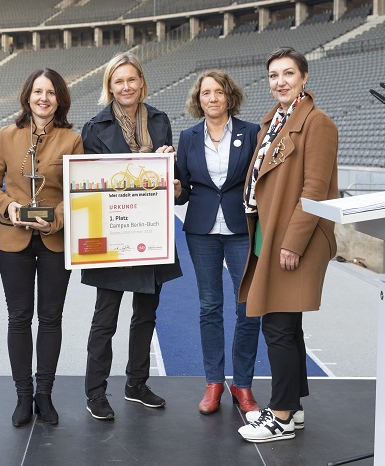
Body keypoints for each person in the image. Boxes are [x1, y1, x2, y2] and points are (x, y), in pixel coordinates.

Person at [236, 47, 338, 443]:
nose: (280, 81)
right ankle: (292, 409)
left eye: (288, 73)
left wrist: (293, 243)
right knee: (287, 327)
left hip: (293, 238)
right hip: (269, 233)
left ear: (304, 77)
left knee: (277, 326)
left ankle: (278, 415)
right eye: (274, 75)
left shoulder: (317, 123)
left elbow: (315, 190)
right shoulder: (274, 121)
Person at [80, 52, 182, 420]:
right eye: (118, 81)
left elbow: (175, 186)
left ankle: (136, 384)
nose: (126, 86)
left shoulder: (159, 120)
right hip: (114, 234)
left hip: (151, 231)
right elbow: (89, 187)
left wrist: (171, 172)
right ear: (109, 86)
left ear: (141, 82)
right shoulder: (94, 128)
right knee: (105, 317)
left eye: (131, 79)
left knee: (146, 315)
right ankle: (95, 392)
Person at [0, 68, 83, 427]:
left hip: (55, 241)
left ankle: (45, 395)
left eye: (51, 92)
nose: (43, 98)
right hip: (12, 241)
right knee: (19, 317)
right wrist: (7, 205)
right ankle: (23, 396)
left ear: (60, 100)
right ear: (27, 97)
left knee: (51, 319)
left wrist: (53, 219)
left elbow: (76, 192)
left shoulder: (72, 139)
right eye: (38, 91)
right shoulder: (7, 136)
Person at [173, 70, 261, 415]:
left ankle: (243, 385)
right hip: (202, 231)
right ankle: (213, 383)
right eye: (205, 92)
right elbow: (183, 191)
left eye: (218, 92)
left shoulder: (251, 132)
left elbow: (259, 181)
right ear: (199, 99)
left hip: (242, 229)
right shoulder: (188, 136)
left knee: (247, 308)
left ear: (229, 96)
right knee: (210, 306)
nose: (212, 97)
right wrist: (174, 186)